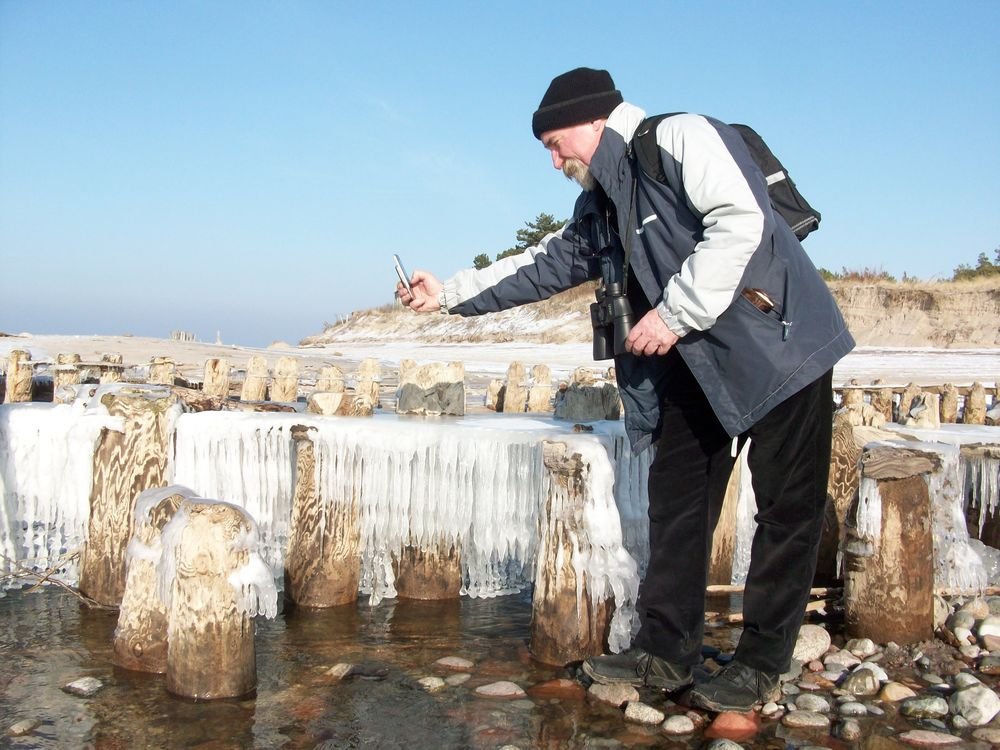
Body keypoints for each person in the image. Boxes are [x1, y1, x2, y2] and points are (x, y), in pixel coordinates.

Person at [397, 67, 854, 712]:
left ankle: (760, 664)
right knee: (677, 505)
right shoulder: (603, 199)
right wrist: (450, 295)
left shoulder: (681, 136)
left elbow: (740, 220)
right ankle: (666, 652)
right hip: (694, 365)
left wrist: (672, 314)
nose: (554, 161)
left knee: (786, 510)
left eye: (557, 144)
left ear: (594, 120)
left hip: (780, 348)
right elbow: (547, 265)